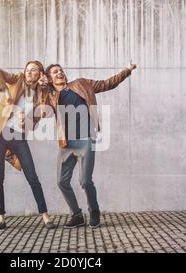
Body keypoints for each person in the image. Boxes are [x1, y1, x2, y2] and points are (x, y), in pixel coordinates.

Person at [42, 62, 137, 228]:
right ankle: (77, 215)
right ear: (49, 78)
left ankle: (94, 211)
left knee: (85, 181)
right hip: (66, 144)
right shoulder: (49, 96)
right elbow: (40, 109)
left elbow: (107, 83)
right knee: (61, 181)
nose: (60, 73)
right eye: (55, 72)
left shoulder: (81, 84)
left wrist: (127, 71)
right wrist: (41, 88)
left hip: (86, 140)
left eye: (61, 70)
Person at [0, 61, 56, 230]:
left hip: (18, 136)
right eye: (28, 69)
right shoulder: (16, 80)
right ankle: (1, 218)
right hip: (0, 135)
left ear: (40, 74)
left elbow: (35, 122)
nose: (29, 72)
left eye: (34, 70)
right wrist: (7, 91)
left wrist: (26, 121)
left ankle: (45, 216)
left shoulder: (40, 95)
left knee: (32, 176)